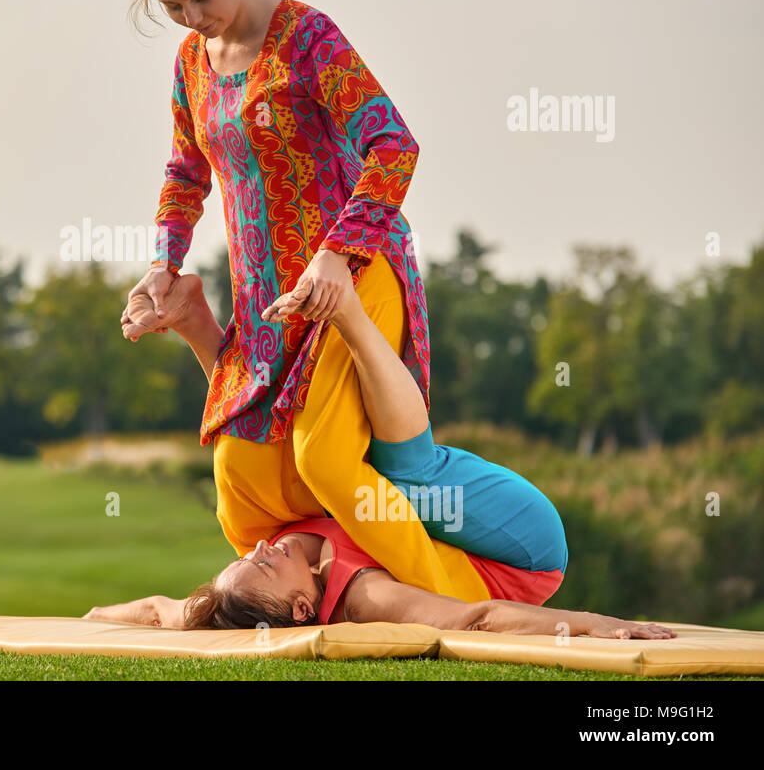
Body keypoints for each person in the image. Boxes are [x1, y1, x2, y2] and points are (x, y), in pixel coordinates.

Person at [124, 0, 465, 599]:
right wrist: (164, 264)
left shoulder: (308, 37)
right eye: (173, 6)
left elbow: (394, 145)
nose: (192, 16)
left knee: (328, 459)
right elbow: (186, 172)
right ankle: (335, 595)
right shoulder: (190, 66)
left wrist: (338, 254)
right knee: (241, 487)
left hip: (353, 275)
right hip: (264, 304)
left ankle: (455, 608)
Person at [93, 273, 676, 640]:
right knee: (379, 472)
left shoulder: (248, 580)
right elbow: (476, 620)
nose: (266, 548)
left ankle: (199, 326)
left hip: (418, 523)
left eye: (254, 556)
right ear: (303, 609)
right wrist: (600, 623)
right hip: (519, 548)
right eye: (268, 563)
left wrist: (94, 617)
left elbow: (158, 611)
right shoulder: (364, 595)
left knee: (243, 479)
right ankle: (349, 313)